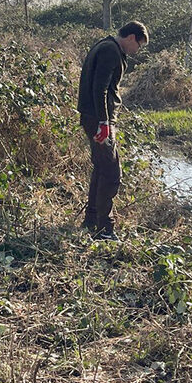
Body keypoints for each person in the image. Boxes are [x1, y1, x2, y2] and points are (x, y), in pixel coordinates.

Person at [76, 21, 149, 240]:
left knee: (101, 168)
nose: (137, 51)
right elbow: (100, 88)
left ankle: (91, 221)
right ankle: (104, 229)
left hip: (94, 117)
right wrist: (104, 122)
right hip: (99, 119)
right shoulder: (110, 50)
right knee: (111, 173)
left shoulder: (105, 45)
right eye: (139, 45)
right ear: (132, 37)